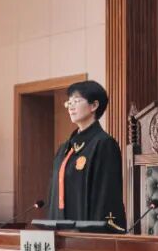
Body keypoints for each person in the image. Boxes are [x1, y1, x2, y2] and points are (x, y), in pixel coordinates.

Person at [45, 80, 126, 230]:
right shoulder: (64, 148)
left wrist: (94, 233)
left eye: (76, 101)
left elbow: (107, 196)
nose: (71, 107)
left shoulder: (104, 144)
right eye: (69, 102)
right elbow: (53, 196)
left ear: (94, 105)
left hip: (88, 235)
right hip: (60, 233)